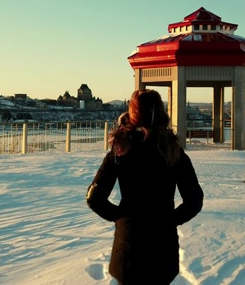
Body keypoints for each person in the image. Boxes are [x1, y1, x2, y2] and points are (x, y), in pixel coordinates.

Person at [86, 89, 204, 284]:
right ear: (160, 112)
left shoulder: (121, 150)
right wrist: (170, 220)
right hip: (162, 248)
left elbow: (94, 197)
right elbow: (194, 199)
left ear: (132, 113)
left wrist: (121, 217)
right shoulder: (172, 150)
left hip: (128, 247)